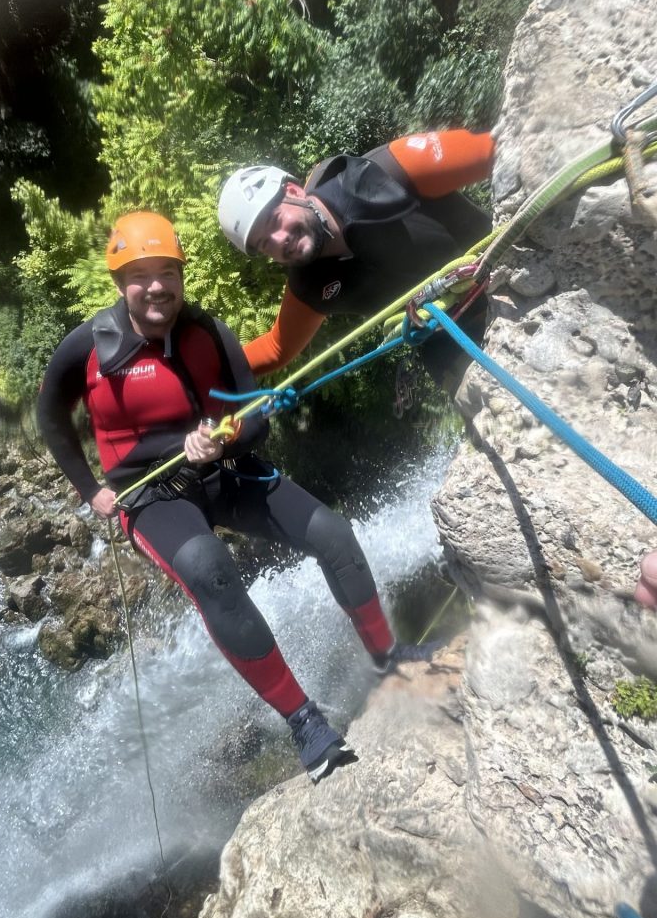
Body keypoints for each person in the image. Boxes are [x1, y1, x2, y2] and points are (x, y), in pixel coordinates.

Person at [37, 211, 437, 784]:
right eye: (140, 275)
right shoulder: (89, 347)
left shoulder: (208, 334)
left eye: (166, 272)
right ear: (120, 282)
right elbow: (50, 414)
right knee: (208, 566)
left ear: (180, 275)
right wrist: (91, 490)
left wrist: (223, 437)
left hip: (225, 472)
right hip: (152, 495)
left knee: (332, 532)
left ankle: (387, 656)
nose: (156, 286)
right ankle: (304, 723)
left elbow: (254, 422)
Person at [218, 129, 495, 387]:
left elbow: (496, 151)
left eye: (274, 220)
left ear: (293, 191)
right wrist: (209, 378)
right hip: (450, 345)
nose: (280, 240)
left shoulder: (389, 170)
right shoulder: (309, 285)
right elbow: (277, 347)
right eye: (265, 244)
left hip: (506, 275)